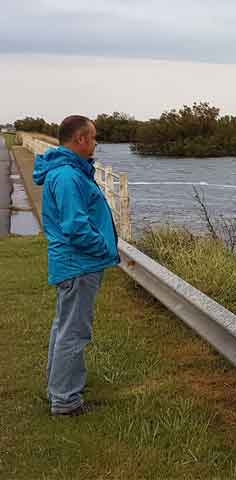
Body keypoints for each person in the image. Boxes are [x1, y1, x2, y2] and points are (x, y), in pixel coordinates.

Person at [33, 116, 120, 416]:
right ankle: (66, 402)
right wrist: (103, 248)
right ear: (80, 140)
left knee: (64, 327)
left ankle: (59, 388)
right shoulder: (69, 176)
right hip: (79, 264)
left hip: (73, 264)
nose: (96, 144)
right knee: (74, 332)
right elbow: (76, 227)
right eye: (93, 138)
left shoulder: (66, 172)